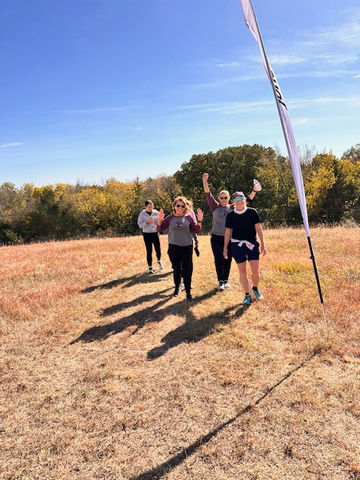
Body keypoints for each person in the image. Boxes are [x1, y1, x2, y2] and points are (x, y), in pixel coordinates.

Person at [202, 173, 261, 291]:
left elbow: (247, 200)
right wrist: (204, 180)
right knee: (218, 259)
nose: (223, 199)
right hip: (216, 238)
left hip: (230, 238)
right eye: (221, 197)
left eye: (225, 197)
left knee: (228, 259)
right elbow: (208, 193)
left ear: (229, 199)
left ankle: (226, 280)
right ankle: (220, 281)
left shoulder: (233, 207)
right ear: (219, 199)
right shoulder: (215, 207)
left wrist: (254, 190)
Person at [223, 191, 266, 305]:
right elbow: (227, 233)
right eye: (236, 200)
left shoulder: (252, 212)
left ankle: (255, 288)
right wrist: (225, 248)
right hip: (237, 245)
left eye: (241, 199)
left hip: (252, 243)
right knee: (242, 271)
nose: (239, 202)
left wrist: (263, 244)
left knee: (255, 271)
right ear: (233, 203)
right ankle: (246, 294)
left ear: (245, 200)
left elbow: (259, 229)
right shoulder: (230, 215)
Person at [157, 196, 203, 301]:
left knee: (187, 269)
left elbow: (195, 230)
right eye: (178, 205)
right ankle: (177, 288)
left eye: (183, 206)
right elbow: (160, 229)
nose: (180, 208)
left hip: (187, 247)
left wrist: (199, 220)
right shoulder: (169, 218)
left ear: (185, 207)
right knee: (177, 269)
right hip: (174, 247)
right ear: (174, 206)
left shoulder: (188, 218)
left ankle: (188, 292)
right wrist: (159, 220)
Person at [137, 200, 163, 274]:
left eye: (152, 207)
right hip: (147, 234)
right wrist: (146, 222)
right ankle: (150, 267)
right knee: (149, 251)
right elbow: (140, 225)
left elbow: (160, 221)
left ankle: (159, 260)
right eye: (149, 207)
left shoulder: (156, 212)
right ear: (146, 207)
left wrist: (156, 220)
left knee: (158, 249)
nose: (151, 208)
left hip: (155, 233)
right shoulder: (142, 214)